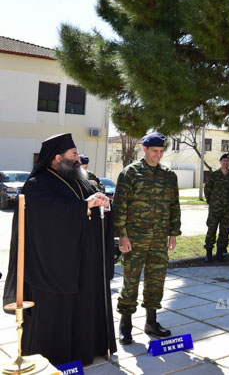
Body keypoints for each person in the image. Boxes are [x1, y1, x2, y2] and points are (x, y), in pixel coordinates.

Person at [3, 133, 115, 366]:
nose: (78, 159)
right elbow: (49, 214)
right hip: (53, 262)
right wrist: (84, 205)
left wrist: (102, 203)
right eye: (73, 155)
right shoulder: (37, 184)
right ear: (57, 157)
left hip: (84, 259)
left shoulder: (81, 180)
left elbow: (89, 207)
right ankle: (55, 354)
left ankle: (88, 349)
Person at [113, 132, 180, 345]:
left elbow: (174, 206)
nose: (158, 156)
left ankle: (151, 321)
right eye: (154, 151)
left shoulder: (169, 176)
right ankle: (125, 325)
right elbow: (120, 206)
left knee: (156, 280)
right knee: (130, 280)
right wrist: (122, 236)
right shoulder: (130, 173)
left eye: (161, 152)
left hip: (159, 238)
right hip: (135, 238)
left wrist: (173, 233)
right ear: (144, 149)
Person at [203, 154, 229, 262]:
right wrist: (212, 202)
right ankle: (208, 253)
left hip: (227, 210)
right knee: (211, 230)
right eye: (224, 160)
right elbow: (207, 190)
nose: (226, 162)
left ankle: (219, 253)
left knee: (224, 231)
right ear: (220, 161)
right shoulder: (214, 175)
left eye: (228, 161)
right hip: (215, 209)